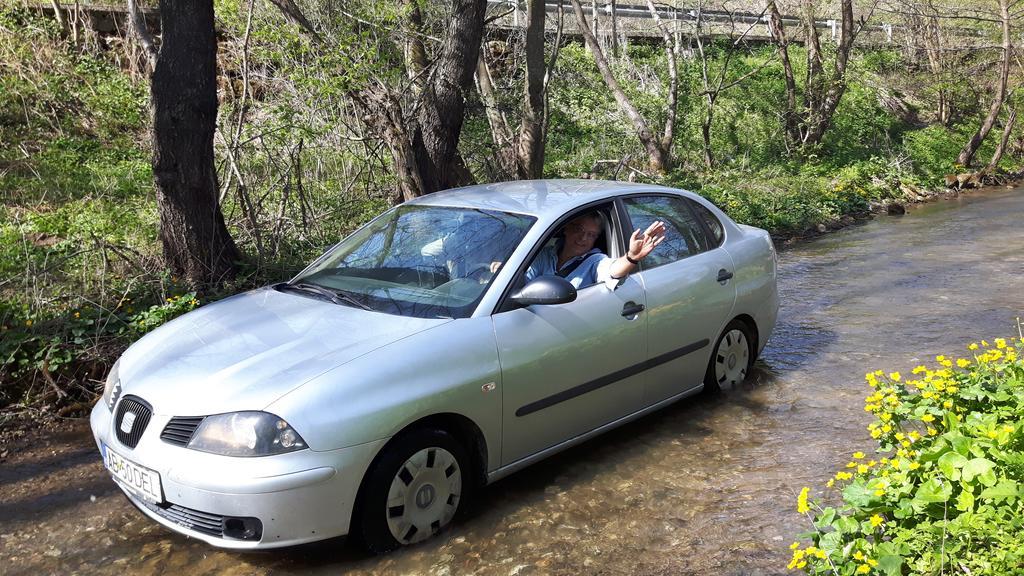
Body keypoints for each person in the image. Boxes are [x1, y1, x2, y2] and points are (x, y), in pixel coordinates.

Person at [507, 211, 666, 289]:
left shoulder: (595, 261)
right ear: (566, 229)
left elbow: (613, 271)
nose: (583, 238)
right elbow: (521, 284)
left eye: (591, 235)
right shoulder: (545, 254)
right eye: (579, 230)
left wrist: (632, 257)